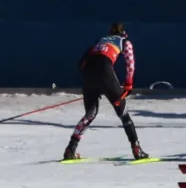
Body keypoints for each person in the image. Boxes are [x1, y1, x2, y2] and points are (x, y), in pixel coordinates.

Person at [63, 23, 149, 161]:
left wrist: (93, 84)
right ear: (124, 33)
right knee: (123, 113)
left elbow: (80, 65)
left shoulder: (100, 40)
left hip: (88, 74)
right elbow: (130, 64)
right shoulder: (124, 41)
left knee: (89, 115)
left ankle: (70, 149)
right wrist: (128, 85)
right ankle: (137, 149)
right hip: (105, 74)